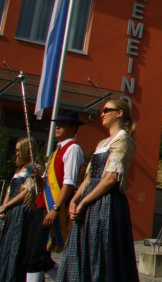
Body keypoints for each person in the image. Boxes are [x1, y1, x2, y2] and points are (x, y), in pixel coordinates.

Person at [56, 99, 138, 281]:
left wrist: (84, 201)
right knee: (81, 250)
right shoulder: (102, 143)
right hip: (91, 198)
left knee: (101, 252)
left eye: (107, 110)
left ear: (119, 113)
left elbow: (110, 178)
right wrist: (74, 199)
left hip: (106, 202)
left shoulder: (124, 139)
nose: (102, 113)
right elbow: (88, 177)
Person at [25, 110, 85, 282]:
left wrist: (55, 208)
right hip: (41, 206)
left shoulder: (72, 149)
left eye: (63, 124)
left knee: (37, 257)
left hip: (52, 208)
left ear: (73, 128)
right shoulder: (56, 151)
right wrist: (38, 178)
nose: (57, 127)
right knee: (33, 255)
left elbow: (69, 183)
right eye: (57, 124)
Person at [0, 138, 39, 281]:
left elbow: (26, 192)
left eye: (18, 150)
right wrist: (3, 207)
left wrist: (8, 205)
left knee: (16, 246)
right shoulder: (19, 170)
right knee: (6, 246)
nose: (16, 153)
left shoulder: (32, 169)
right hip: (11, 212)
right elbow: (10, 191)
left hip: (21, 212)